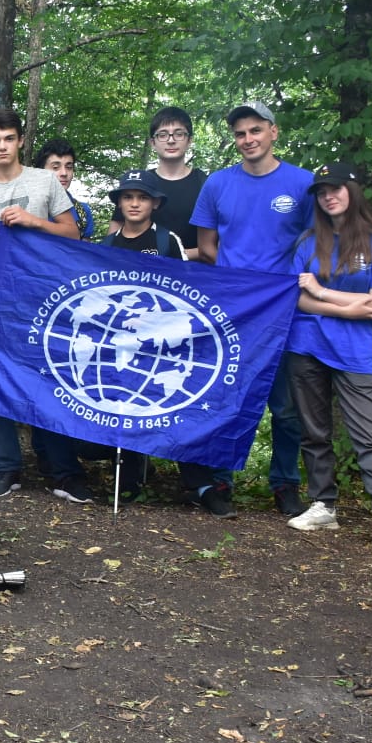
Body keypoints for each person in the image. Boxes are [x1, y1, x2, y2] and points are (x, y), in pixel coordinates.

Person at [284, 162, 372, 562]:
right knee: (314, 431)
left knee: (369, 437)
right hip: (305, 345)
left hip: (355, 352)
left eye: (336, 188)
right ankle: (324, 505)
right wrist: (350, 304)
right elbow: (297, 298)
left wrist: (324, 294)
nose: (328, 196)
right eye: (321, 191)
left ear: (352, 190)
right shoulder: (308, 241)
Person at [192, 101, 313, 516]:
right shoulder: (218, 184)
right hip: (234, 312)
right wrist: (236, 280)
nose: (248, 140)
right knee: (229, 397)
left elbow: (318, 243)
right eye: (241, 133)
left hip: (285, 312)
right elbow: (207, 245)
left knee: (285, 405)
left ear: (273, 132)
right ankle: (220, 480)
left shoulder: (302, 183)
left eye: (255, 131)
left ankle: (285, 484)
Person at [96, 170, 236, 516]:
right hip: (125, 342)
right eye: (127, 197)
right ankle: (129, 478)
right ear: (118, 203)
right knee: (125, 406)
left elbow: (186, 288)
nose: (134, 203)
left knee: (178, 410)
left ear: (154, 204)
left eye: (142, 197)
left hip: (164, 342)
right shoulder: (109, 244)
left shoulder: (167, 240)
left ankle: (201, 485)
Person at [0, 108, 80, 498]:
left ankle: (63, 471)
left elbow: (73, 234)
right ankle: (6, 467)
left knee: (51, 377)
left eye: (9, 138)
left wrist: (33, 220)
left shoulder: (45, 182)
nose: (2, 146)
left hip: (41, 292)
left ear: (21, 141)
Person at [136, 107, 206, 259]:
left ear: (189, 141)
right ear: (152, 143)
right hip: (146, 274)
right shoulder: (140, 183)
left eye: (179, 134)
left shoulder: (206, 184)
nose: (171, 140)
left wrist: (176, 254)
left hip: (195, 276)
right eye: (163, 134)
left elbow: (220, 243)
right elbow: (115, 238)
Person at [32, 138, 97, 242]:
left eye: (69, 167)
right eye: (55, 167)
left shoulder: (83, 212)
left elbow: (83, 254)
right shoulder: (25, 206)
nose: (64, 173)